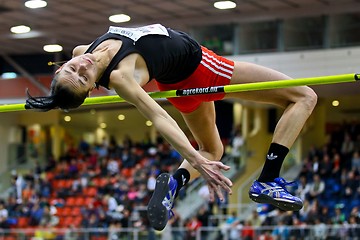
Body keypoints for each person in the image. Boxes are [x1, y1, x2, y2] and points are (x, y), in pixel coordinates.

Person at [26, 23, 317, 230]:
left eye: (73, 68)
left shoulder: (82, 50)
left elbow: (87, 59)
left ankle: (173, 185)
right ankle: (268, 178)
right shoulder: (121, 77)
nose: (83, 66)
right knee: (304, 96)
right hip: (202, 68)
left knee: (213, 149)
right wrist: (194, 159)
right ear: (92, 88)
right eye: (83, 77)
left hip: (176, 78)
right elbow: (159, 116)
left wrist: (200, 158)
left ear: (61, 65)